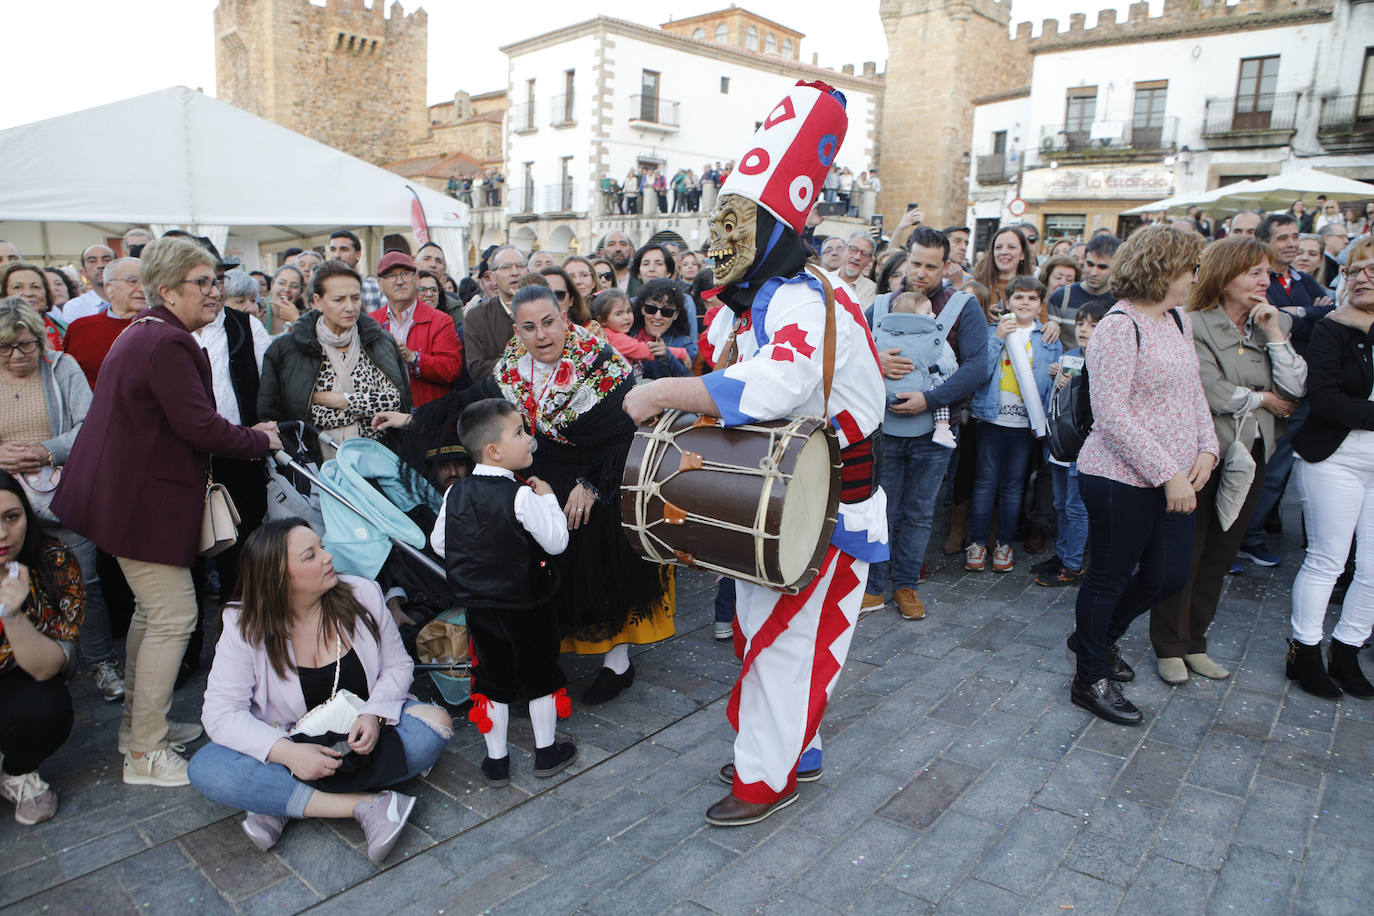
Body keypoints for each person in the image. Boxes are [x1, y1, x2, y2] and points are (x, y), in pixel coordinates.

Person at [624, 81, 887, 826]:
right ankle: (788, 748)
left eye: (740, 228)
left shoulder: (803, 299)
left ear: (773, 233)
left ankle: (765, 779)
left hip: (824, 510)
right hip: (786, 497)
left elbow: (776, 386)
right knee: (765, 634)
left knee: (784, 645)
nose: (720, 245)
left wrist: (658, 398)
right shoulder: (770, 298)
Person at [51, 235, 282, 786]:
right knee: (174, 617)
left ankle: (140, 730)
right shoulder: (167, 342)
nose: (214, 291)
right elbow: (198, 425)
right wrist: (257, 439)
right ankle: (143, 754)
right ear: (167, 290)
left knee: (156, 616)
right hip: (140, 506)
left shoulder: (148, 332)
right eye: (200, 282)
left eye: (216, 281)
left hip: (129, 502)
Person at [375, 286, 670, 705]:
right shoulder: (512, 366)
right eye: (529, 327)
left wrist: (591, 487)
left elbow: (628, 433)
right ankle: (548, 668)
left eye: (548, 322)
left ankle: (618, 664)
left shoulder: (603, 362)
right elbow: (470, 404)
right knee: (548, 576)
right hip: (538, 485)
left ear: (564, 316)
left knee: (602, 575)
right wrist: (411, 418)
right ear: (517, 329)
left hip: (598, 481)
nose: (541, 335)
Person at [188, 520, 451, 862]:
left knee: (436, 724)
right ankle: (369, 805)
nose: (328, 558)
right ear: (278, 575)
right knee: (207, 768)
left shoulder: (362, 594)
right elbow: (220, 713)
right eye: (311, 555)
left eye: (322, 547)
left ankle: (279, 801)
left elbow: (398, 666)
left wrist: (374, 714)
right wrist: (287, 753)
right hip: (291, 746)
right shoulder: (244, 625)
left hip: (361, 740)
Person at [1065, 225, 1217, 727]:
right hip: (1118, 478)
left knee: (1167, 575)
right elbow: (1110, 414)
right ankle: (1089, 677)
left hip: (1174, 475)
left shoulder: (1178, 319)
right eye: (1189, 268)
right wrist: (1167, 472)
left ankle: (1096, 637)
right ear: (1162, 269)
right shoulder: (1118, 326)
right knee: (1108, 578)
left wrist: (1207, 449)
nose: (1195, 276)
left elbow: (1193, 392)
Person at [1148, 236, 1306, 685]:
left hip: (1252, 455)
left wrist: (1275, 334)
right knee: (1184, 552)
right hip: (1201, 453)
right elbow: (1209, 390)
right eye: (1253, 272)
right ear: (1225, 274)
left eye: (1267, 273)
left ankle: (1195, 641)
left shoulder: (1272, 323)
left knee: (1220, 552)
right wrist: (1264, 399)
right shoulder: (1190, 322)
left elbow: (1294, 390)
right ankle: (1168, 645)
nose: (1265, 281)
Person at [430, 399, 576, 786]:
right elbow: (557, 541)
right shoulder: (523, 494)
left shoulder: (455, 493)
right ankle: (546, 752)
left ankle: (497, 761)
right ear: (493, 450)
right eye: (520, 432)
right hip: (528, 603)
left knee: (491, 677)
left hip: (480, 605)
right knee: (539, 671)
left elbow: (440, 544)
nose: (529, 439)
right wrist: (548, 498)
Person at [0, 299, 124, 705]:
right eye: (6, 348)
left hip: (61, 496)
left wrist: (44, 450)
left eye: (27, 345)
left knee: (83, 583)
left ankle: (101, 662)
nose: (18, 356)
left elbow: (90, 426)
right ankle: (25, 668)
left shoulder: (61, 366)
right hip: (6, 505)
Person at [865, 228, 988, 619]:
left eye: (931, 266)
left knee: (918, 512)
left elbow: (975, 368)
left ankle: (906, 585)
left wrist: (929, 399)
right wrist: (876, 361)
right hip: (882, 427)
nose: (921, 272)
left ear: (947, 266)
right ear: (906, 258)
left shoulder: (963, 307)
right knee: (879, 508)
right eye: (915, 263)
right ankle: (872, 586)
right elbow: (851, 354)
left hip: (936, 428)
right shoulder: (882, 305)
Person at [1285, 238, 1374, 699]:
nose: (1362, 277)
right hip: (1335, 456)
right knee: (1328, 559)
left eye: (1373, 269)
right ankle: (1305, 651)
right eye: (1355, 270)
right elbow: (1325, 399)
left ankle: (1348, 650)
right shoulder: (1332, 327)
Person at [0, 472, 85, 825]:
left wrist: (14, 615)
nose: (2, 534)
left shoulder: (53, 560)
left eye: (11, 517)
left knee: (46, 709)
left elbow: (50, 666)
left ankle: (18, 771)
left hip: (17, 676)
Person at [260, 261, 410, 456]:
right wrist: (365, 407)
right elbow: (282, 415)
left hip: (378, 458)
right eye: (339, 299)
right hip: (314, 462)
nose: (349, 307)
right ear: (316, 301)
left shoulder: (380, 341)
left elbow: (395, 402)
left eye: (355, 298)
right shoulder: (287, 349)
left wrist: (339, 400)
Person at [966, 276, 1061, 574]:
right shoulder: (995, 331)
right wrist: (997, 337)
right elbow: (980, 370)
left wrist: (1058, 374)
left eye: (1032, 299)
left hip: (1025, 424)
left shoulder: (1047, 338)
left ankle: (1004, 544)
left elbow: (1052, 382)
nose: (1025, 303)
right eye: (1019, 297)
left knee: (1013, 486)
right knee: (983, 483)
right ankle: (978, 543)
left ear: (1040, 305)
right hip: (992, 418)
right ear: (1007, 302)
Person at [1036, 301, 1109, 587]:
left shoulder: (1106, 360)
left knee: (1076, 507)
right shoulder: (1070, 355)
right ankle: (1063, 554)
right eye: (1081, 324)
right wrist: (1057, 381)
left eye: (1093, 324)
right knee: (1061, 504)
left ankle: (1074, 563)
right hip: (1063, 443)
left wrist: (1076, 387)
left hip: (1086, 445)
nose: (1084, 330)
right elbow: (1054, 402)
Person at [368, 252, 462, 408]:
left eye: (405, 274)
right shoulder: (371, 322)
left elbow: (452, 369)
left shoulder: (440, 320)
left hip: (428, 416)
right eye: (391, 276)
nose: (399, 281)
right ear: (380, 283)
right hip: (383, 415)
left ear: (416, 279)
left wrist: (412, 357)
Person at [873, 290, 957, 448]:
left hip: (887, 397)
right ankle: (942, 427)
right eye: (928, 312)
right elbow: (948, 361)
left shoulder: (882, 335)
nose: (933, 315)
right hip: (922, 392)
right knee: (939, 389)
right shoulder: (933, 338)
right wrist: (949, 370)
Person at [62, 258, 145, 388]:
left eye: (147, 282)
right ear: (109, 287)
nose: (142, 288)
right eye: (133, 281)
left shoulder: (163, 329)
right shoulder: (80, 329)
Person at [1045, 233, 1119, 351]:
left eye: (1102, 267)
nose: (1094, 272)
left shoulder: (1121, 302)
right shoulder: (1061, 298)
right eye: (1090, 264)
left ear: (1116, 267)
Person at [465, 245, 526, 382]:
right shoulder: (477, 316)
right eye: (506, 267)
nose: (515, 272)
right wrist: (524, 363)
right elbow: (476, 369)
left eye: (520, 266)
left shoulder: (543, 310)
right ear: (493, 277)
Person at [1, 262, 64, 350]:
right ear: (4, 294)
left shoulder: (66, 329)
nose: (29, 293)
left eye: (35, 287)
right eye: (18, 287)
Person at [265, 265, 305, 335]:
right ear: (272, 285)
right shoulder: (257, 310)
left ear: (300, 292)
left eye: (294, 286)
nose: (287, 289)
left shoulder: (304, 318)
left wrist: (295, 320)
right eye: (281, 283)